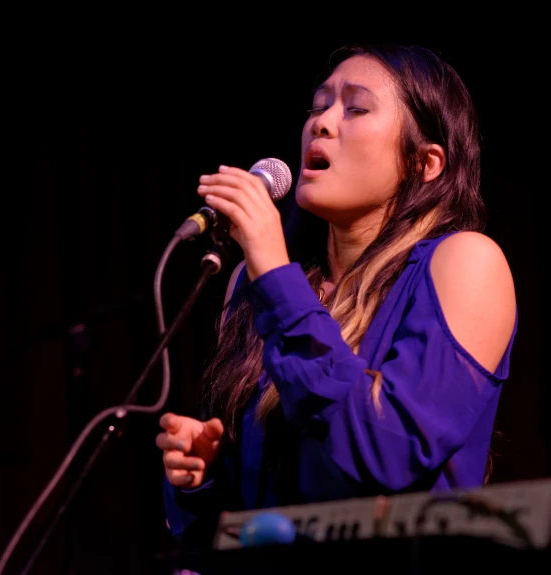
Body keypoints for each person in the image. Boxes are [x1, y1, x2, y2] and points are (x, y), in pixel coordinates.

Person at [155, 43, 518, 550]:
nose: (321, 123)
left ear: (425, 162)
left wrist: (274, 272)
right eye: (319, 106)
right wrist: (207, 473)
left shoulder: (466, 262)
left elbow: (385, 455)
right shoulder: (256, 284)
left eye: (356, 108)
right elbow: (259, 524)